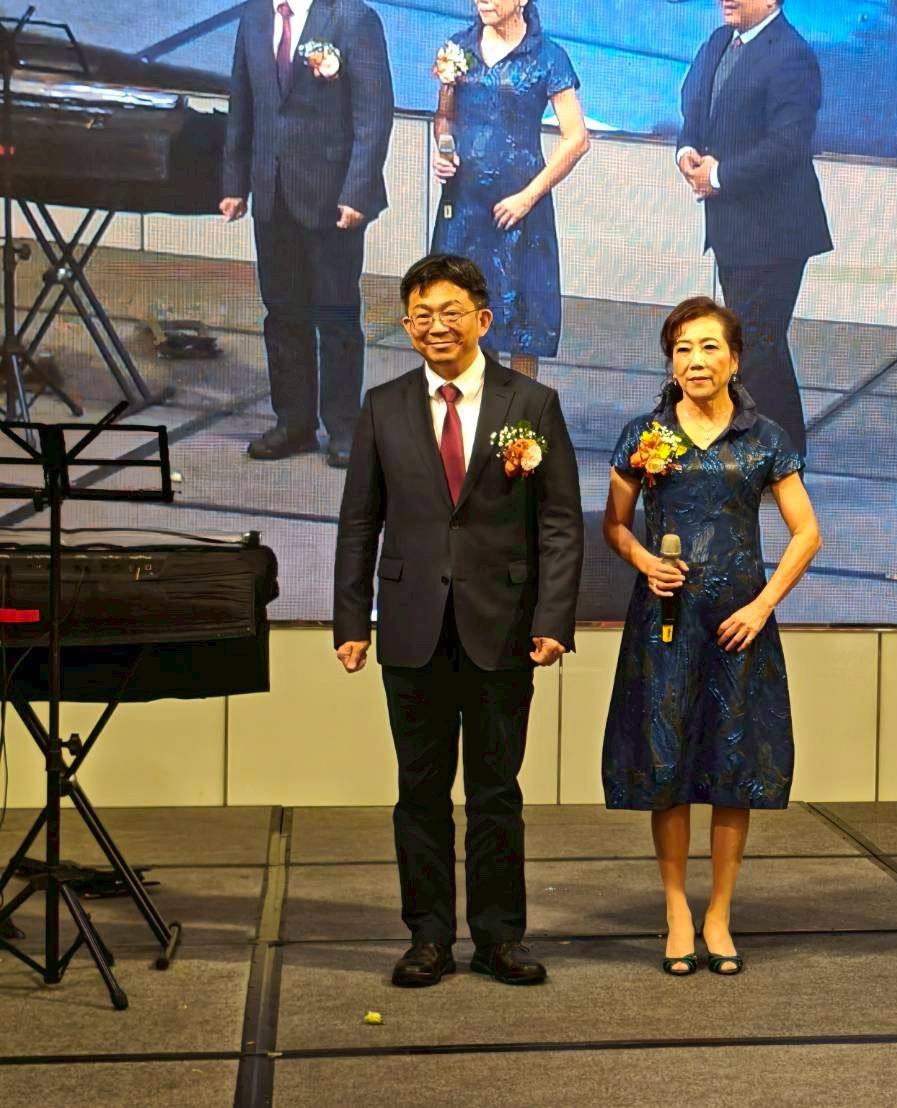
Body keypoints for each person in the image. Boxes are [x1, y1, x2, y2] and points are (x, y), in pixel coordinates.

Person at [333, 253, 582, 988]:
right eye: (421, 315)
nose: (435, 325)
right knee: (419, 791)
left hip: (501, 625)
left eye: (449, 312)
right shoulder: (382, 405)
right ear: (407, 326)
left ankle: (500, 937)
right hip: (411, 627)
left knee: (496, 791)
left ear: (483, 319)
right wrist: (351, 619)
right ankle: (428, 937)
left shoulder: (531, 404)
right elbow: (359, 522)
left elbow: (560, 523)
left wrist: (554, 617)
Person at [601, 296, 821, 976]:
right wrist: (644, 561)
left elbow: (807, 534)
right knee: (666, 765)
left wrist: (762, 606)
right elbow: (614, 525)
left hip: (736, 625)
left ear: (734, 358)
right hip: (665, 624)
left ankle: (719, 913)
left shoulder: (765, 438)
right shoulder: (645, 434)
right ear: (670, 362)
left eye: (708, 347)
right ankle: (676, 909)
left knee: (732, 766)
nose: (695, 360)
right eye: (682, 349)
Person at [221, 0, 394, 468]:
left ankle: (344, 428)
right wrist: (235, 182)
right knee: (282, 312)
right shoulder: (255, 16)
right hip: (271, 191)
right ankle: (293, 423)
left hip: (331, 195)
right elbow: (242, 104)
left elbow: (374, 116)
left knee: (336, 314)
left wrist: (357, 192)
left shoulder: (352, 18)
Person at [676, 0, 832, 457]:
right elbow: (695, 110)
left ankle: (780, 456)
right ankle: (773, 453)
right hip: (732, 228)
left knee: (757, 345)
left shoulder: (791, 55)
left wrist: (720, 175)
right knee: (757, 344)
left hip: (775, 231)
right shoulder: (719, 43)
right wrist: (687, 150)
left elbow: (788, 143)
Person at [430, 0, 589, 379]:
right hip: (465, 208)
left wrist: (528, 197)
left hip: (520, 210)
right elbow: (445, 117)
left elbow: (577, 138)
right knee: (464, 318)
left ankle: (520, 414)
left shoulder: (548, 56)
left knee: (523, 326)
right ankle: (475, 410)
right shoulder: (458, 48)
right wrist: (445, 150)